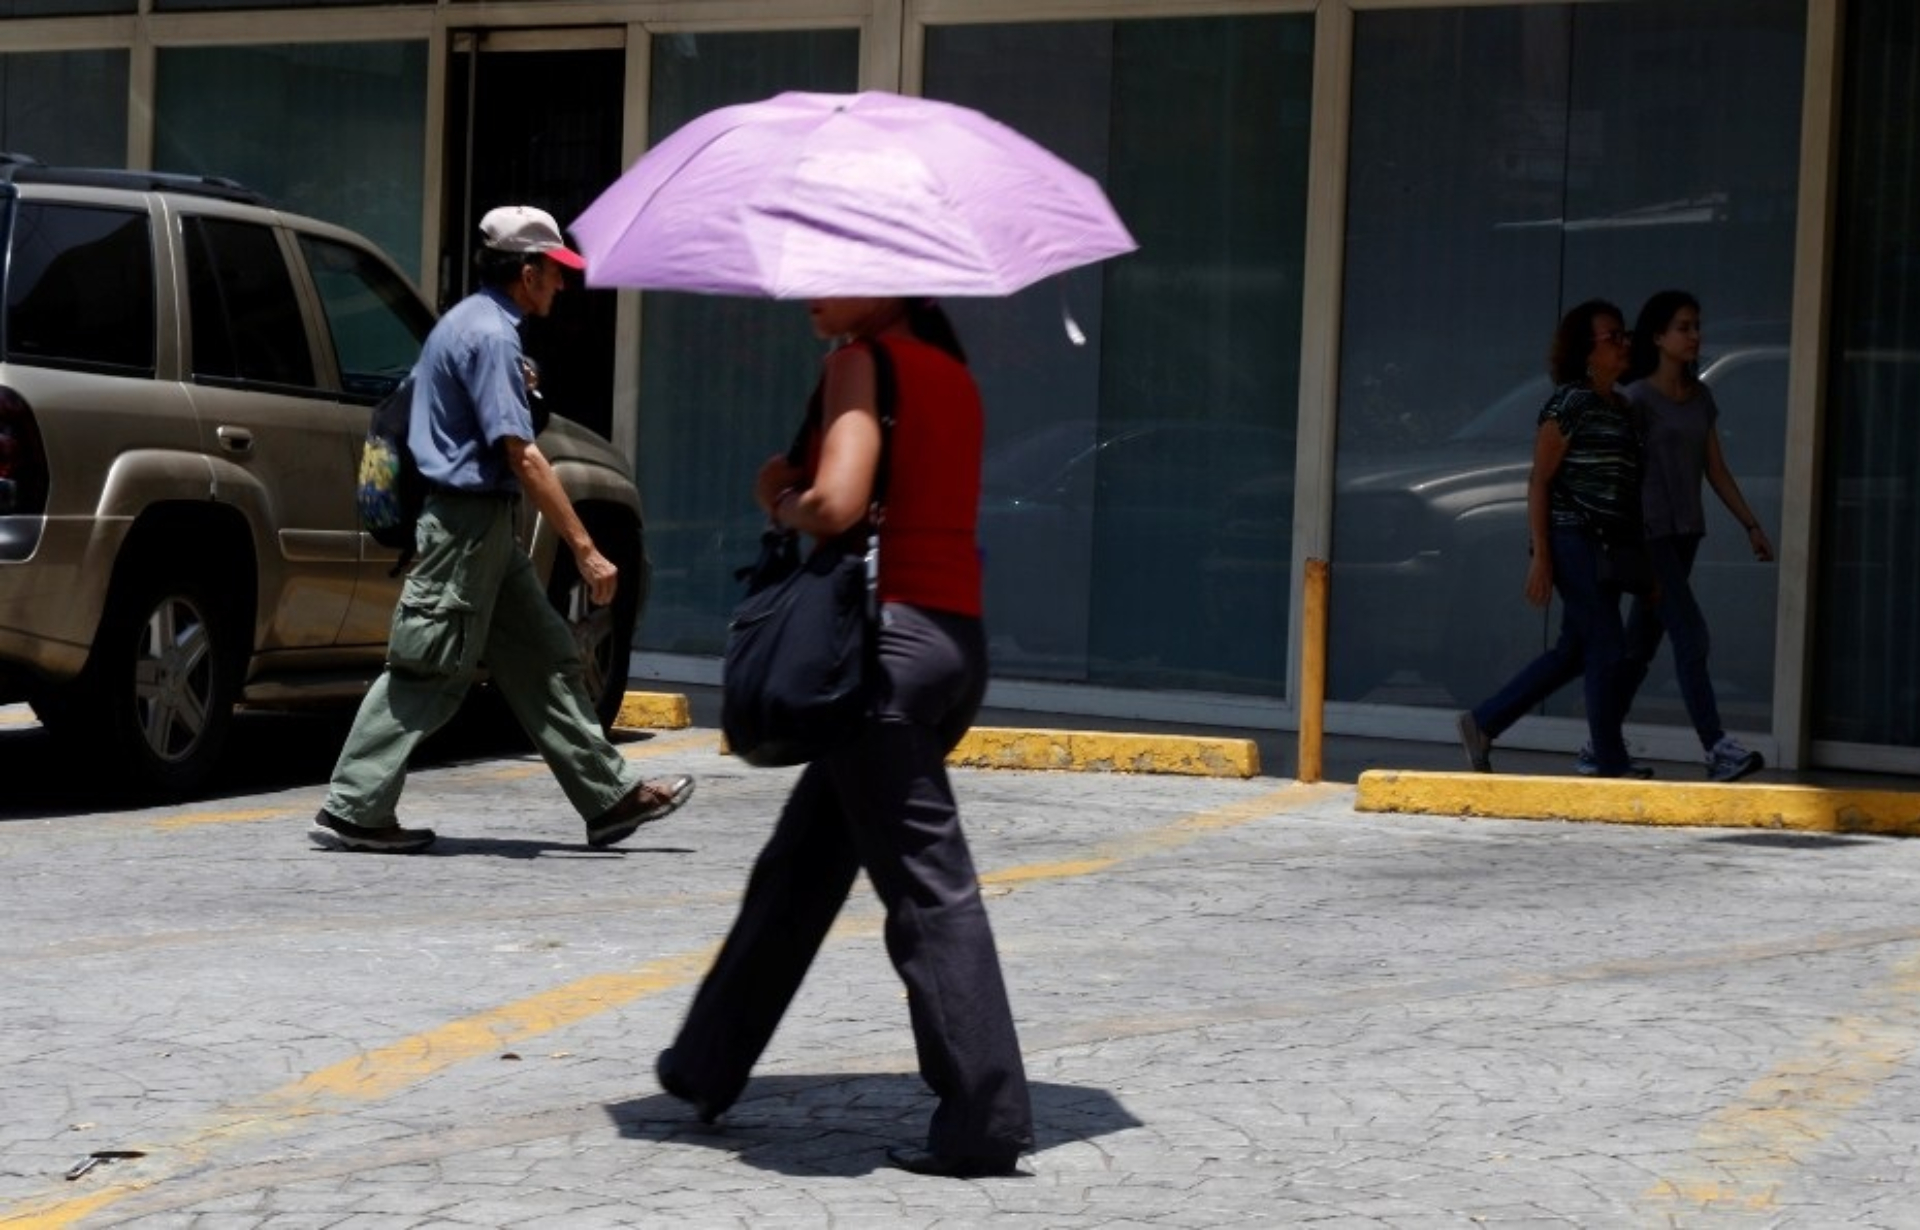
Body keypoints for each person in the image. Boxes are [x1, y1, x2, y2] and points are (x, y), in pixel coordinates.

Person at [654, 296, 1034, 1178]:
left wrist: (779, 495)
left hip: (880, 659)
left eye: (836, 262)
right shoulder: (953, 374)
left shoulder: (862, 361)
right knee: (804, 862)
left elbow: (837, 503)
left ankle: (985, 1117)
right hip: (949, 645)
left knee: (931, 893)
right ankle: (706, 1061)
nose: (810, 286)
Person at [310, 205, 692, 854]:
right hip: (464, 527)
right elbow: (522, 454)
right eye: (554, 271)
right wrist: (586, 548)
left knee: (545, 658)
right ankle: (353, 807)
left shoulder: (472, 324)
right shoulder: (490, 336)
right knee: (428, 668)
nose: (561, 284)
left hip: (484, 529)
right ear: (525, 271)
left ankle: (609, 798)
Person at [1456, 299, 1651, 779]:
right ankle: (1610, 762)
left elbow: (1625, 490)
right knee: (1608, 646)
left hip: (1608, 546)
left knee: (1575, 651)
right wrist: (1541, 556)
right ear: (1587, 350)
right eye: (1612, 337)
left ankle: (1483, 722)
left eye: (1624, 335)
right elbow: (1539, 481)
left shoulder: (1623, 408)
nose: (1624, 343)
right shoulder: (1568, 404)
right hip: (1571, 540)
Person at [1603, 290, 1772, 782]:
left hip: (1685, 534)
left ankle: (1600, 741)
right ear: (1658, 336)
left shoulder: (1701, 397)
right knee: (1690, 634)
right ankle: (1716, 746)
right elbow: (1618, 476)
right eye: (1683, 327)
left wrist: (1751, 524)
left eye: (1697, 325)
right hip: (1650, 536)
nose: (1694, 335)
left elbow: (1715, 468)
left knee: (1639, 649)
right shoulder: (1635, 401)